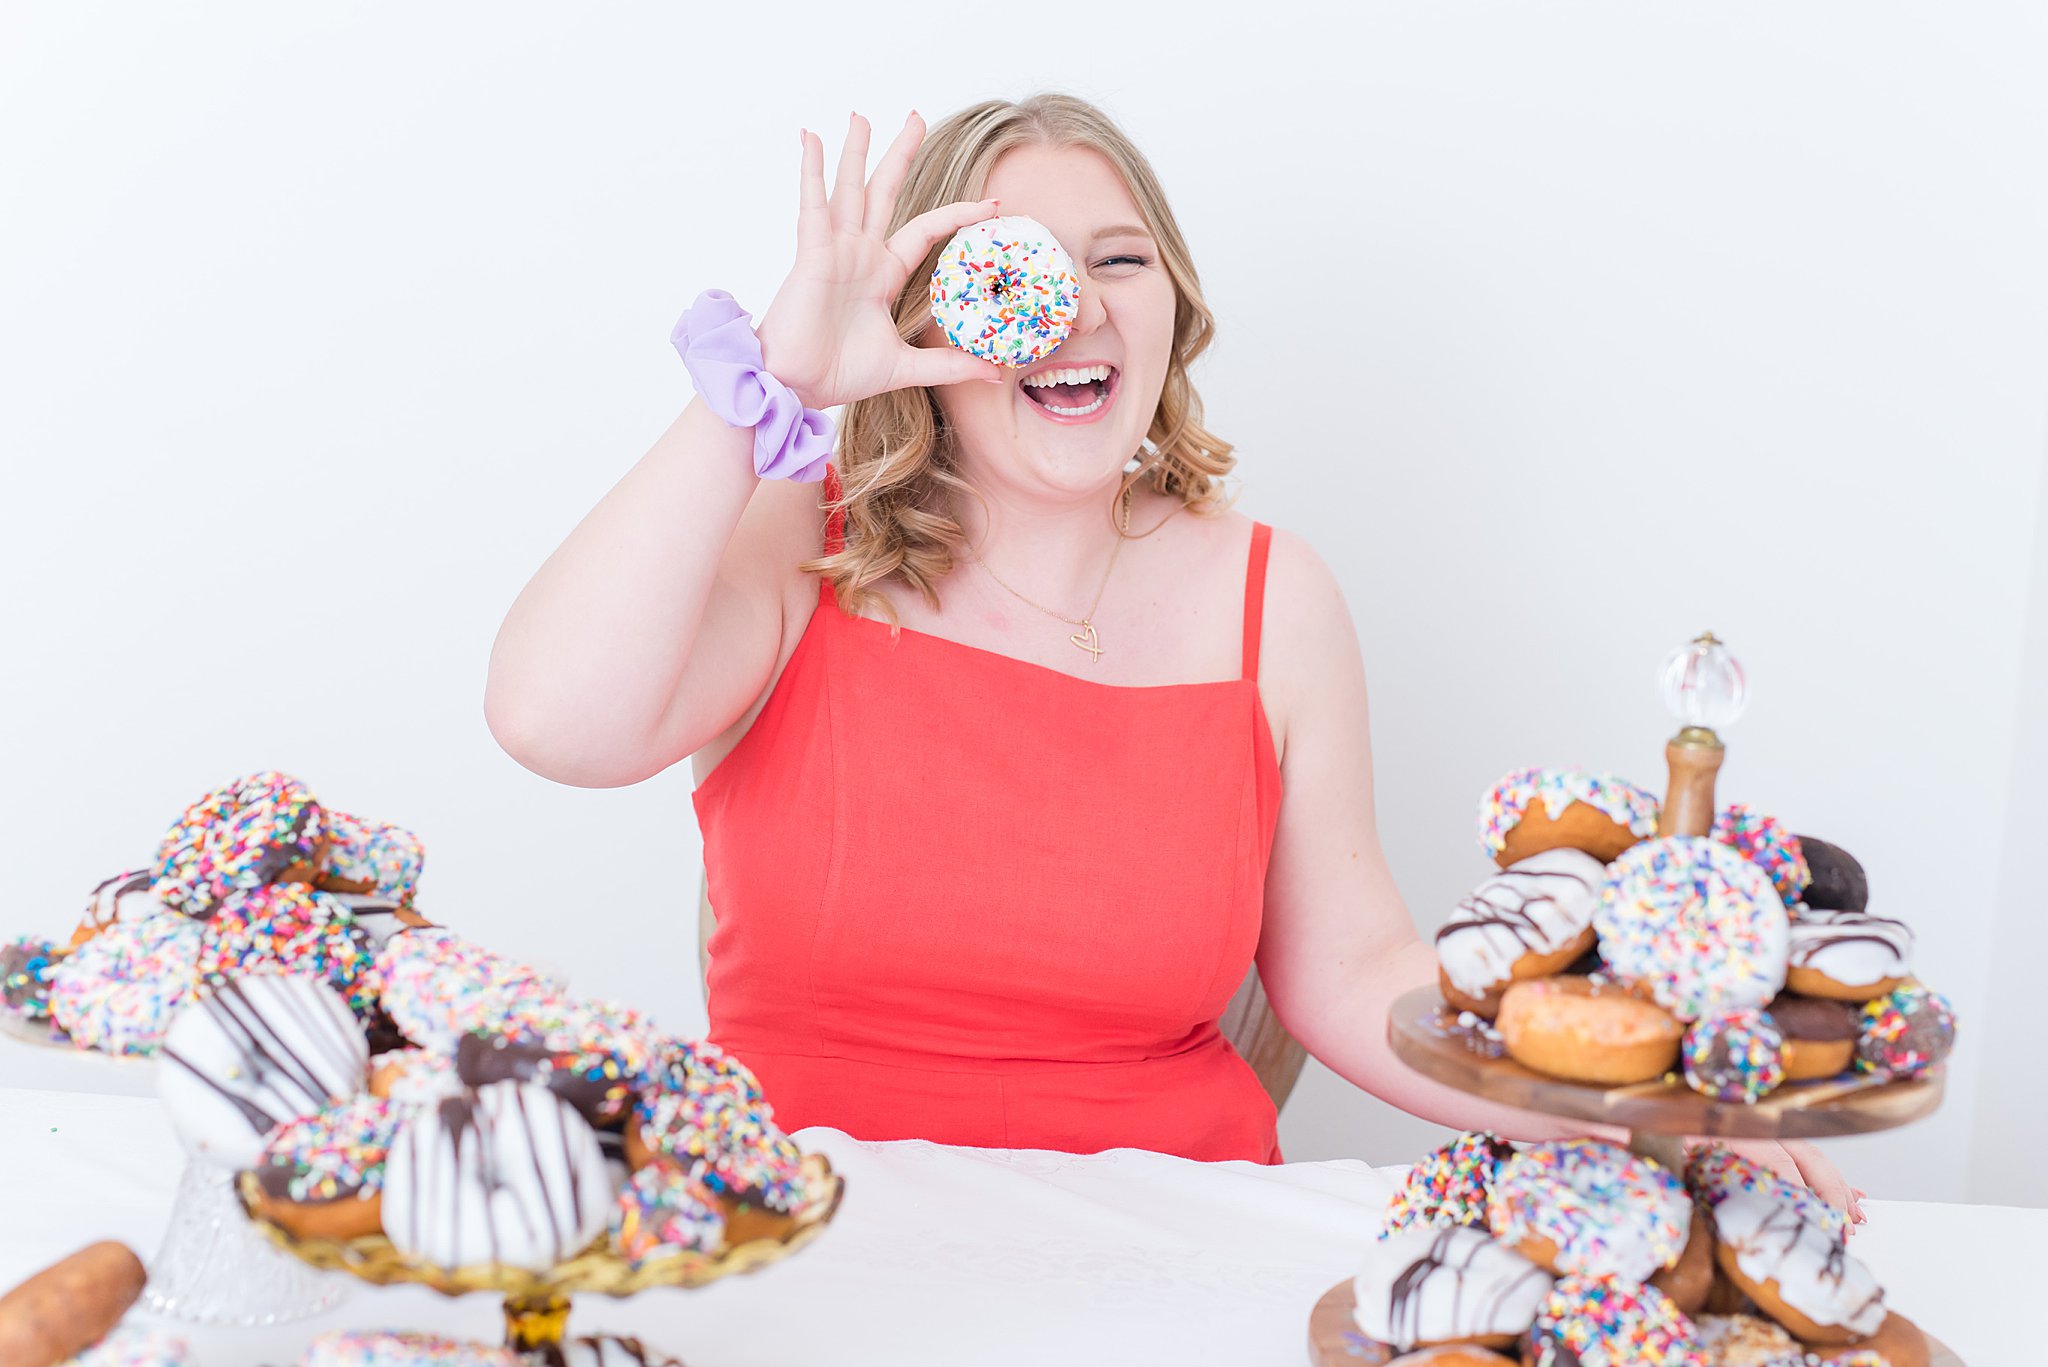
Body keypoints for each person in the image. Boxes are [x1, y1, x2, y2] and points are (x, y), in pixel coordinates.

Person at [484, 93, 1856, 1212]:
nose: (1074, 300)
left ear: (1172, 311)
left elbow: (1355, 973)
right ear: (925, 321)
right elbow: (553, 719)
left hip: (1176, 1236)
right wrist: (769, 387)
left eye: (1119, 258)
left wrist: (1645, 1126)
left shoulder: (1275, 597)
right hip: (809, 1231)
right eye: (1009, 265)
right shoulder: (802, 547)